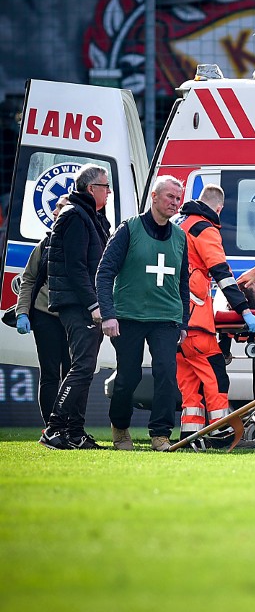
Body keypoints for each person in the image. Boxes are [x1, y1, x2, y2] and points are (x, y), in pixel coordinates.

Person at [97, 176, 190, 452]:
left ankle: (160, 434)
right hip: (129, 316)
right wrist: (108, 313)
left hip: (166, 318)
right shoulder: (129, 229)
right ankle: (120, 427)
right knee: (129, 376)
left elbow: (183, 282)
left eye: (178, 198)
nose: (175, 202)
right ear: (154, 196)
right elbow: (104, 273)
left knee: (166, 374)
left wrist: (183, 321)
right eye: (170, 196)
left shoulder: (180, 237)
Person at [172, 183, 255, 445]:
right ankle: (220, 431)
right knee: (215, 376)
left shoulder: (179, 224)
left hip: (173, 320)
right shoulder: (205, 229)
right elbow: (222, 273)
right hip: (195, 319)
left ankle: (190, 435)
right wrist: (244, 311)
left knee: (189, 382)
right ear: (219, 208)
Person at [39, 164, 111, 450]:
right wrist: (94, 303)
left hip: (85, 302)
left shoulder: (90, 215)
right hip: (79, 304)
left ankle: (75, 433)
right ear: (91, 189)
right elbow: (76, 267)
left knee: (85, 367)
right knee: (82, 366)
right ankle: (54, 429)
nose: (109, 192)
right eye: (106, 187)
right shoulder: (75, 216)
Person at [15, 194, 70, 424]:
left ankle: (70, 425)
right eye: (56, 207)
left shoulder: (87, 241)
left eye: (61, 207)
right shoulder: (44, 244)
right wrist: (22, 313)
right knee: (49, 374)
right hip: (45, 315)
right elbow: (28, 279)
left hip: (72, 317)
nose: (55, 212)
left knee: (72, 374)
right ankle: (50, 427)